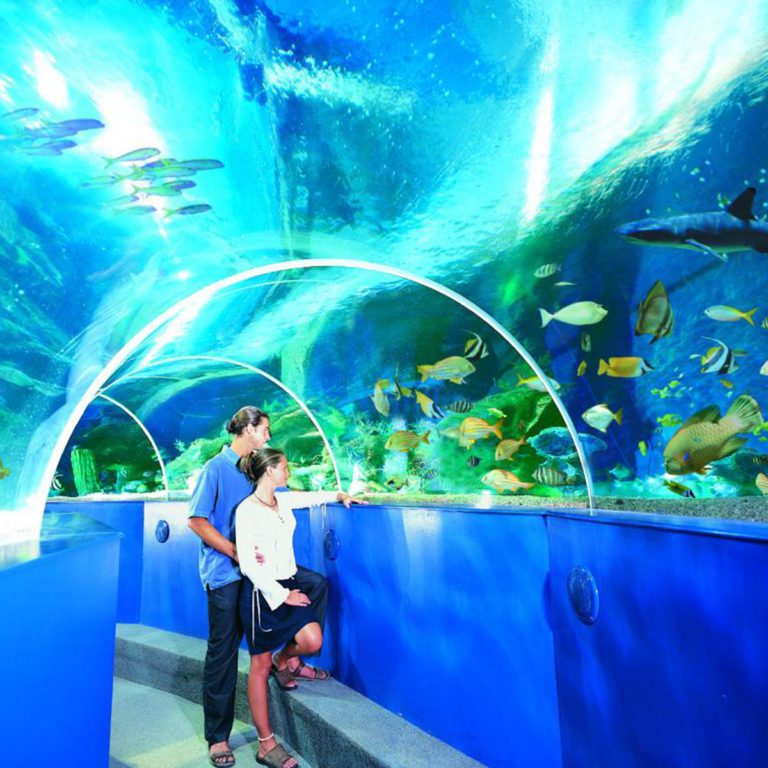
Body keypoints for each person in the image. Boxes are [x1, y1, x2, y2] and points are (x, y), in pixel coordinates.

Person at [236, 447, 364, 768]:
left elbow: (310, 497)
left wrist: (339, 495)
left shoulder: (283, 500)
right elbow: (250, 564)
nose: (288, 473)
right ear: (269, 471)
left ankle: (286, 660)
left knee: (311, 640)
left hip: (289, 583)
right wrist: (282, 595)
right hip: (261, 595)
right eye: (284, 468)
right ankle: (266, 744)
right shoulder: (246, 511)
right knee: (259, 666)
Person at [188, 406, 271, 768]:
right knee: (222, 654)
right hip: (224, 575)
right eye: (264, 429)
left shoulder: (252, 468)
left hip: (252, 575)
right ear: (247, 429)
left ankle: (289, 663)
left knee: (266, 635)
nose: (268, 436)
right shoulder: (215, 468)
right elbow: (196, 521)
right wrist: (235, 552)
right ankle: (218, 737)